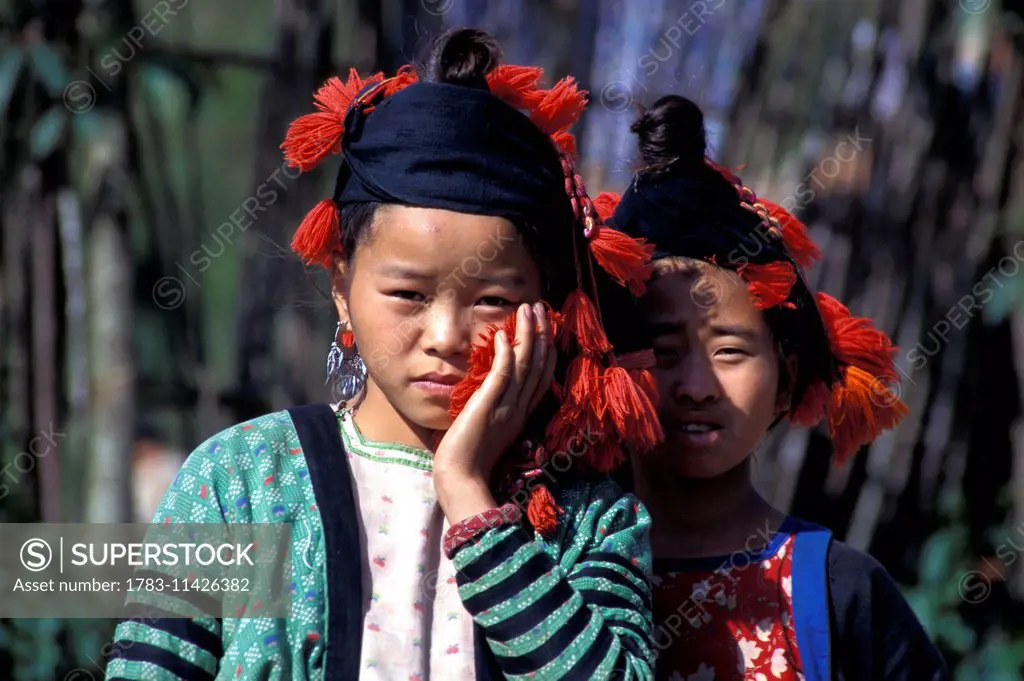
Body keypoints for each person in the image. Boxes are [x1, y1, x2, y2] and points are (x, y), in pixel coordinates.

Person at [104, 28, 666, 681]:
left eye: (491, 299)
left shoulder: (590, 516)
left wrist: (469, 493)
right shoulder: (241, 484)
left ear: (549, 306)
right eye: (408, 293)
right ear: (342, 287)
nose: (446, 335)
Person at [597, 95, 949, 681]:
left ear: (786, 383)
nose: (696, 386)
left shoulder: (844, 594)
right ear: (606, 371)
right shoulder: (550, 579)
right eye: (662, 352)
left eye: (730, 351)